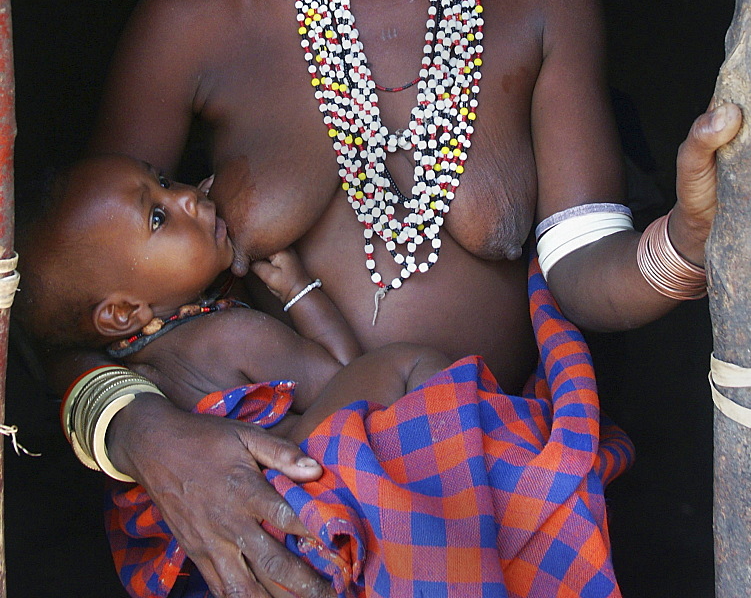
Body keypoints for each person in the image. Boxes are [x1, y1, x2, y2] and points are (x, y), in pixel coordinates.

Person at [46, 0, 741, 598]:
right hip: (276, 506)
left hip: (478, 505)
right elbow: (61, 305)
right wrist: (153, 435)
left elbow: (582, 274)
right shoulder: (196, 19)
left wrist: (686, 238)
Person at [20, 154, 633, 598]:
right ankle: (502, 450)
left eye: (162, 180)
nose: (185, 195)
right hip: (295, 484)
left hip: (228, 538)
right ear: (123, 312)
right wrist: (301, 295)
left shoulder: (140, 363)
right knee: (405, 363)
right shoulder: (228, 332)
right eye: (157, 217)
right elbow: (339, 372)